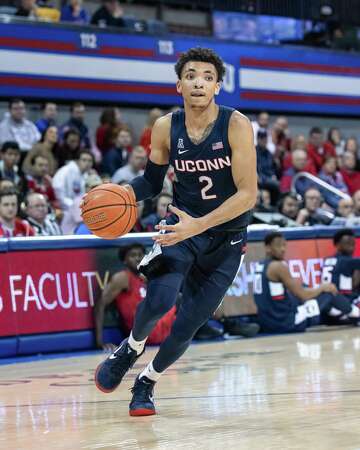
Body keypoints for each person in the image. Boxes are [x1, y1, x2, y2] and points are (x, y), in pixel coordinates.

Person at [89, 47, 257, 416]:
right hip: (180, 226)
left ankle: (146, 382)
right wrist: (121, 194)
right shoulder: (166, 126)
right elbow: (152, 181)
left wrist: (201, 224)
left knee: (187, 325)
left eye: (208, 77)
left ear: (218, 87)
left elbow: (248, 194)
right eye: (192, 75)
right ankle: (130, 348)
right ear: (179, 83)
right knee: (161, 300)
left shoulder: (236, 124)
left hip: (226, 240)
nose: (199, 82)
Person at [253, 232, 354, 333]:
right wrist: (322, 287)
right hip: (286, 323)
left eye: (284, 245)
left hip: (267, 323)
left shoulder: (259, 265)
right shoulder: (278, 266)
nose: (283, 249)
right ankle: (355, 314)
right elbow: (303, 295)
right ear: (268, 248)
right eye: (278, 246)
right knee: (329, 293)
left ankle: (339, 314)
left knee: (304, 287)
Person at [94, 243, 177, 350]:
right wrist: (99, 342)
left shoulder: (146, 277)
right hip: (145, 335)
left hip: (165, 333)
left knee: (177, 295)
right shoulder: (122, 278)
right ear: (125, 260)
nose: (137, 258)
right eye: (132, 255)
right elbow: (100, 305)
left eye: (140, 255)